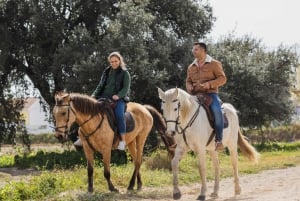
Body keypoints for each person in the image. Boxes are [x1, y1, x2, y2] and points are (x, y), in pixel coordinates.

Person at [74, 52, 131, 150]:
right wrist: (93, 95)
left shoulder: (125, 73)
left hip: (118, 99)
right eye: (112, 61)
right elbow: (100, 85)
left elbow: (126, 88)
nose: (114, 63)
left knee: (119, 115)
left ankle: (122, 141)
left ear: (120, 61)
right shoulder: (106, 72)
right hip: (103, 97)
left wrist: (118, 95)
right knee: (87, 112)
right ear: (110, 62)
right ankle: (81, 136)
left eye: (116, 61)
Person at [186, 42, 227, 151]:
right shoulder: (191, 67)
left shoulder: (214, 63)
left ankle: (219, 141)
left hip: (210, 94)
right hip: (195, 95)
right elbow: (188, 81)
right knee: (180, 109)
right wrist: (189, 86)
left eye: (196, 49)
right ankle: (181, 141)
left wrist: (209, 84)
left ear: (203, 50)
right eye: (193, 49)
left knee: (217, 111)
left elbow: (222, 79)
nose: (193, 51)